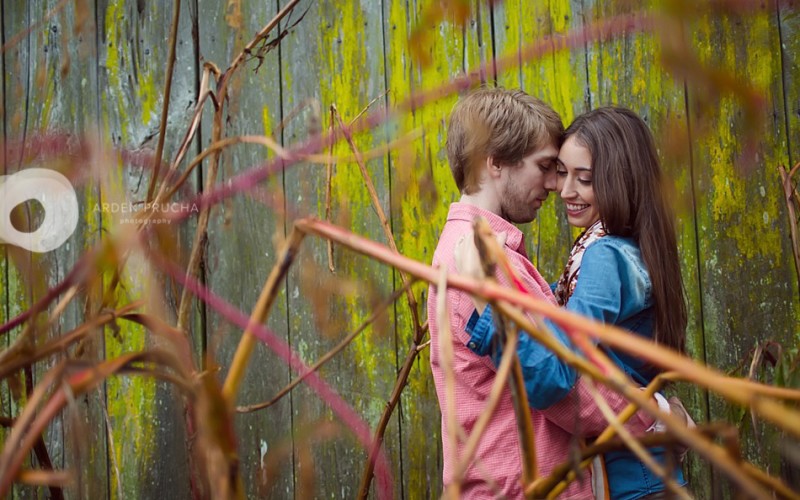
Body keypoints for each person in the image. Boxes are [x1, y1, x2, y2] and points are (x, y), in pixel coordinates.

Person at [427, 87, 658, 499]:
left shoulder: (468, 249)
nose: (555, 185)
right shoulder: (482, 260)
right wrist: (652, 416)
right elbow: (558, 387)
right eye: (545, 166)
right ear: (494, 163)